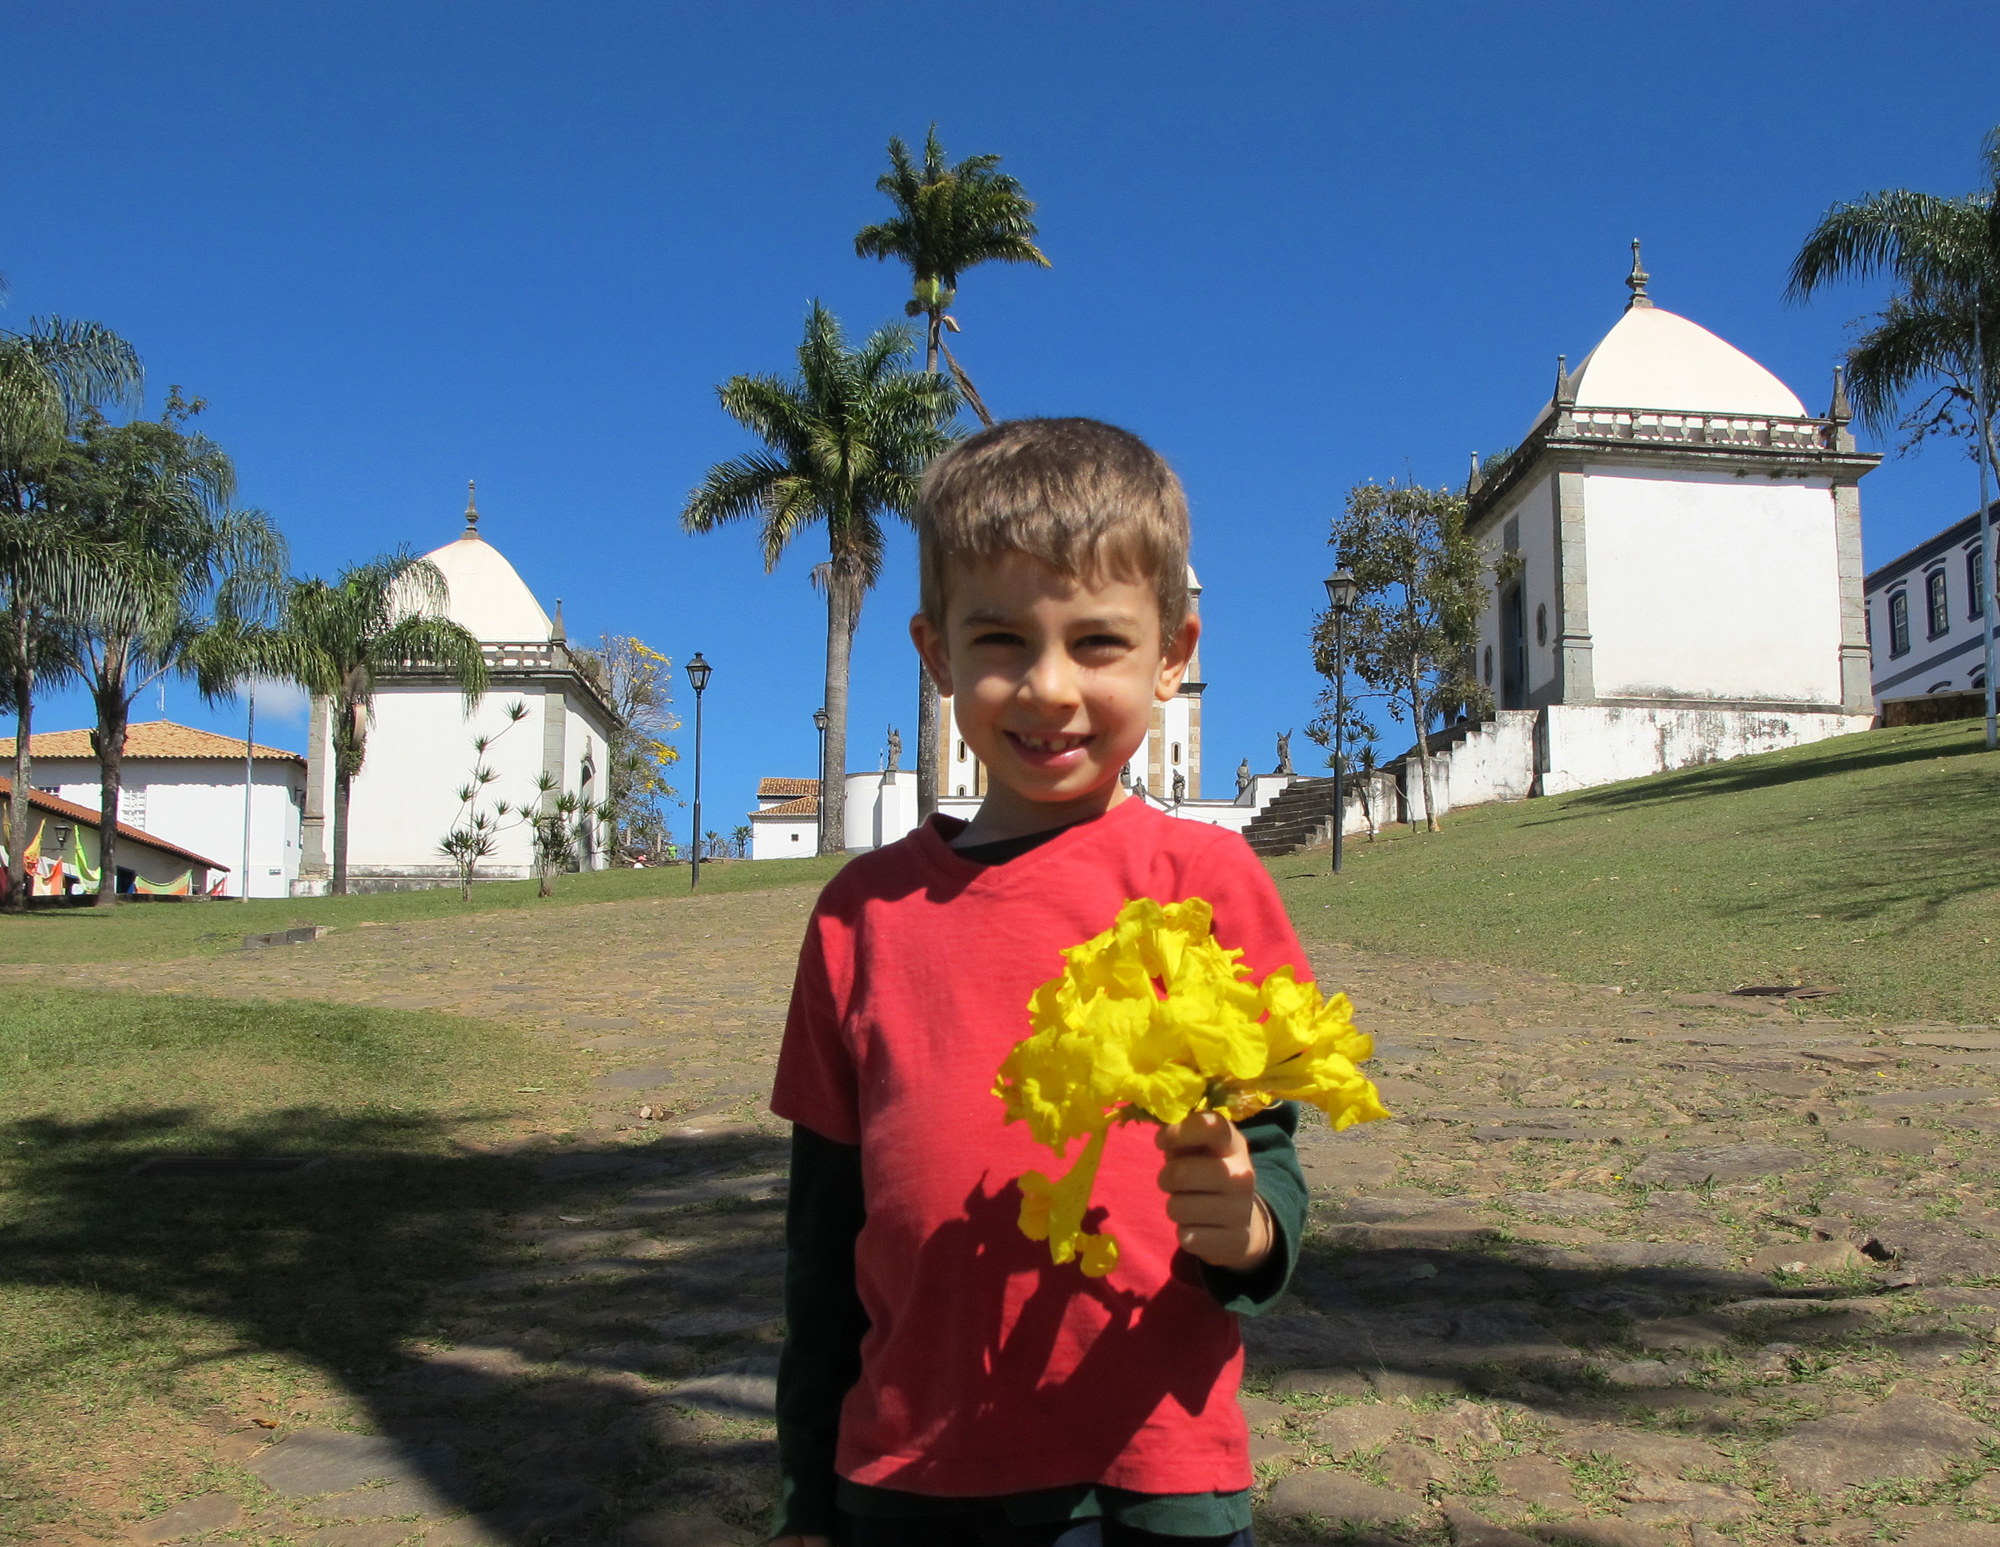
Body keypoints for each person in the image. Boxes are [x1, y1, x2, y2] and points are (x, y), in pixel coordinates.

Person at [772, 418, 1311, 1547]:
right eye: (1003, 639)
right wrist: (805, 1505)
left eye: (1100, 643)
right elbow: (822, 1250)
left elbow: (1269, 1164)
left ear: (1174, 652)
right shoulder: (859, 916)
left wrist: (1248, 1229)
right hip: (905, 1473)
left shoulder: (1205, 879)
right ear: (936, 654)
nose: (1048, 687)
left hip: (1149, 1468)